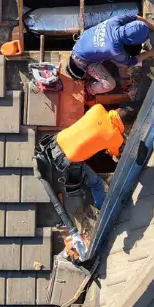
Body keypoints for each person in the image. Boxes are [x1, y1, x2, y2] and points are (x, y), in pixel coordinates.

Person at [33, 105, 139, 246]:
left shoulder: (98, 108)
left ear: (118, 110)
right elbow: (115, 153)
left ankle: (78, 183)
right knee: (96, 183)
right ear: (126, 125)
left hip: (55, 143)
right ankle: (102, 209)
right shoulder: (115, 137)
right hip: (68, 158)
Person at [66, 13, 154, 95]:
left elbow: (135, 17)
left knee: (114, 57)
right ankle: (90, 89)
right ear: (131, 41)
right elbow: (131, 62)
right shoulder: (114, 50)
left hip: (79, 46)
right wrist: (150, 53)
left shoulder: (115, 21)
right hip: (81, 62)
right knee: (110, 84)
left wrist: (153, 25)